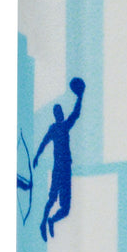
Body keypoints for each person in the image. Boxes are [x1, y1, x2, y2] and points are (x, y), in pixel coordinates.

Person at [33, 77, 85, 242]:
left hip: (66, 169)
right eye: (58, 113)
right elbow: (44, 142)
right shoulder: (55, 128)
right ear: (55, 116)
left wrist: (80, 97)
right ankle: (43, 222)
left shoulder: (64, 126)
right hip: (59, 169)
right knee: (51, 198)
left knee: (66, 209)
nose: (60, 114)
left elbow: (76, 114)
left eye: (61, 112)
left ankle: (51, 220)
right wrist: (37, 156)